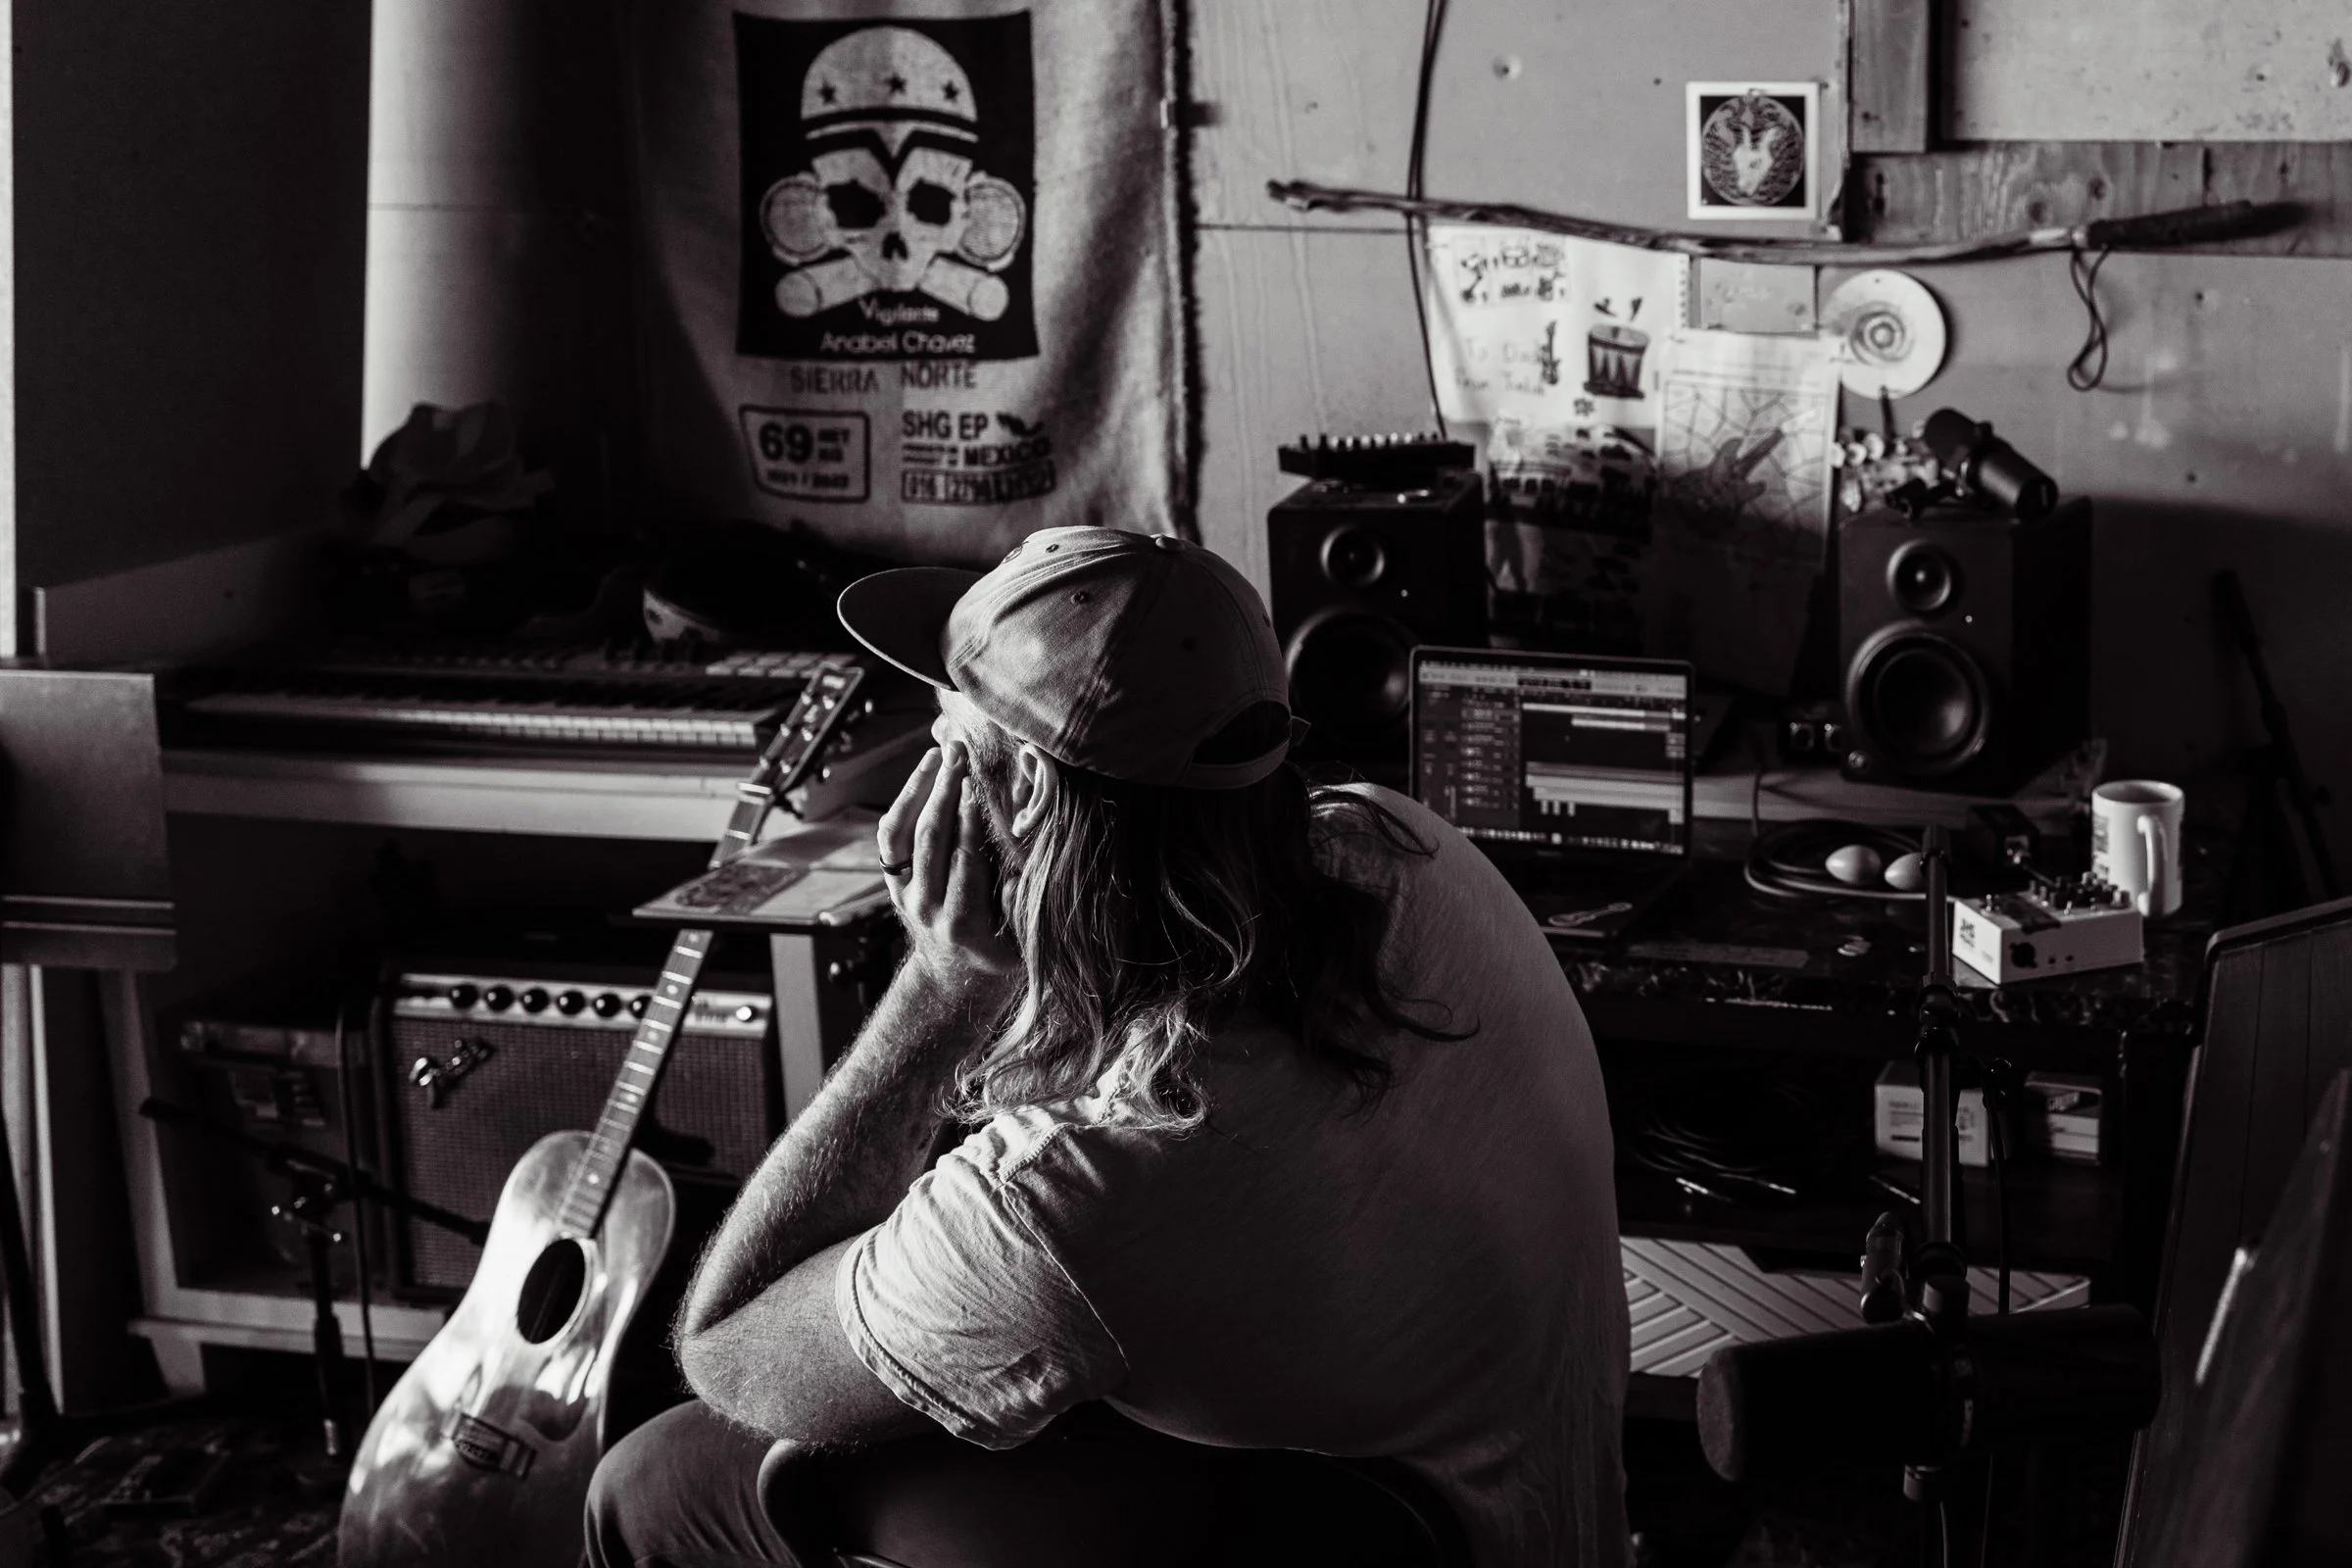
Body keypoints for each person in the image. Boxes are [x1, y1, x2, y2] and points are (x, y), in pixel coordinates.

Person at [585, 526, 1629, 1567]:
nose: (925, 774)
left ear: (1029, 791)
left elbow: (726, 1351)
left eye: (945, 744)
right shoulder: (1412, 849)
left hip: (1318, 1516)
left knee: (648, 1485)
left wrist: (948, 988)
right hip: (1536, 1526)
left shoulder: (1074, 1191)